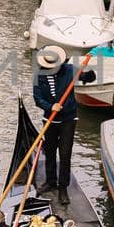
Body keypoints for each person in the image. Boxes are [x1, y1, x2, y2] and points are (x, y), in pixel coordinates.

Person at [34, 45, 80, 201]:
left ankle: (63, 188)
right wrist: (50, 106)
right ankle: (50, 182)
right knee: (50, 151)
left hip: (68, 119)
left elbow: (90, 78)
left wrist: (86, 71)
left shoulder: (69, 70)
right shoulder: (39, 75)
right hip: (50, 119)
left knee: (65, 154)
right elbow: (37, 98)